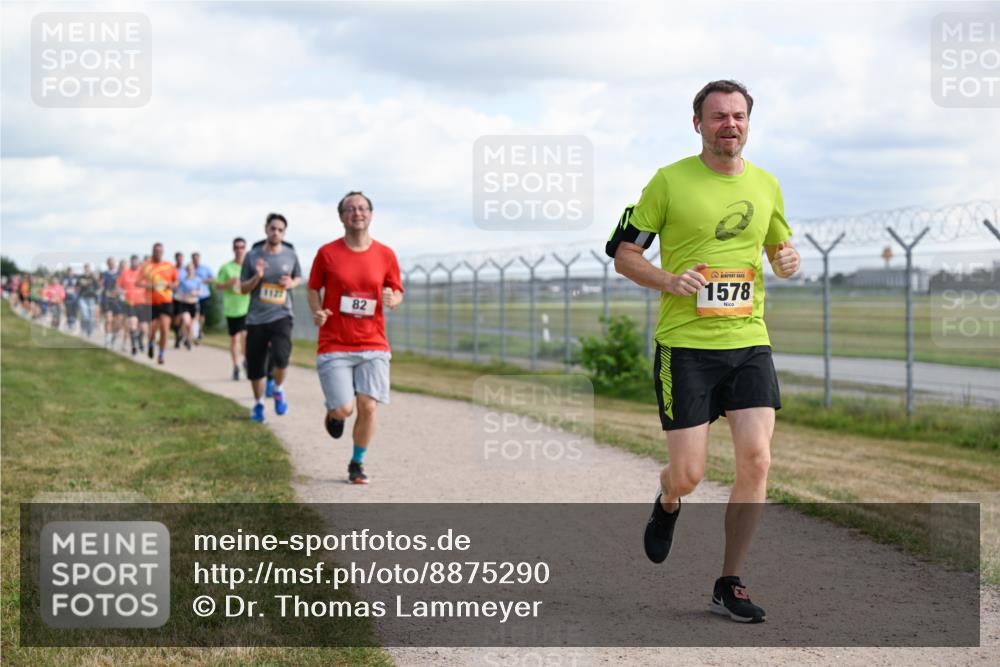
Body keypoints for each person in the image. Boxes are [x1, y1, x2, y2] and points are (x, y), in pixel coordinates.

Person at [607, 80, 800, 624]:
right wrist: (669, 280)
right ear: (698, 124)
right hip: (685, 348)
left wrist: (788, 262)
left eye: (738, 115)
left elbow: (779, 250)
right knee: (689, 474)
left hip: (749, 341)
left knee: (757, 460)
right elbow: (624, 254)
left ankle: (729, 582)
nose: (729, 124)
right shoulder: (668, 181)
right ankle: (668, 498)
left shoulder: (767, 184)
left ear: (748, 123)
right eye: (718, 116)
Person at [307, 191, 403, 485]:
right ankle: (334, 415)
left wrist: (394, 299)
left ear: (370, 214)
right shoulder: (327, 253)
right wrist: (318, 311)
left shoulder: (385, 254)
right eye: (350, 209)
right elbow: (313, 288)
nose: (357, 213)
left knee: (369, 406)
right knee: (344, 408)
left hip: (373, 342)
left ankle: (357, 463)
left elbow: (397, 289)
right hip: (335, 343)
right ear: (341, 217)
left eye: (362, 208)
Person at [240, 213, 302, 423]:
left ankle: (278, 389)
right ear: (266, 229)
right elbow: (243, 289)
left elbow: (298, 277)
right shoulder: (252, 256)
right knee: (256, 367)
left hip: (282, 314)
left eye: (280, 230)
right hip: (256, 318)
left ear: (284, 233)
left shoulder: (290, 255)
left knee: (281, 357)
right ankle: (258, 404)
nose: (276, 232)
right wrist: (257, 276)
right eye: (273, 228)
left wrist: (291, 283)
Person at [217, 237, 251, 380]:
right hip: (232, 309)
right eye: (236, 247)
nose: (239, 250)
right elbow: (217, 285)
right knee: (235, 339)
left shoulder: (249, 267)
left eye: (241, 247)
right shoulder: (226, 267)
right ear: (233, 249)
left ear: (245, 249)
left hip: (247, 307)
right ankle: (236, 366)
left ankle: (246, 360)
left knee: (246, 336)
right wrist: (228, 283)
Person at [139, 243, 179, 365]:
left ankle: (161, 354)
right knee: (152, 329)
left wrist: (171, 285)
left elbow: (176, 282)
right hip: (151, 302)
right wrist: (149, 286)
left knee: (165, 328)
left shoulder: (169, 266)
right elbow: (138, 283)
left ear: (163, 252)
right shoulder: (146, 266)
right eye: (156, 251)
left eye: (160, 251)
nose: (158, 253)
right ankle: (151, 343)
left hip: (166, 301)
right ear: (152, 251)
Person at [116, 255, 147, 355]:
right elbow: (118, 286)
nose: (135, 263)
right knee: (133, 323)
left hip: (142, 302)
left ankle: (139, 340)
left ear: (139, 262)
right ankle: (134, 347)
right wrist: (121, 292)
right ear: (131, 262)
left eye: (136, 261)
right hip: (130, 302)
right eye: (133, 261)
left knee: (144, 328)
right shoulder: (125, 273)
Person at [175, 264, 203, 350]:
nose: (190, 271)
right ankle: (181, 335)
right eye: (188, 269)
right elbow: (177, 291)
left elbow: (201, 290)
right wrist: (182, 295)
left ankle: (188, 340)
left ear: (194, 270)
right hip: (185, 304)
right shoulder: (183, 280)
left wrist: (196, 293)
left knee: (191, 324)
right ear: (186, 270)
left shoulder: (198, 280)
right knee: (187, 322)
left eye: (191, 269)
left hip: (194, 304)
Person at [191, 252, 214, 344]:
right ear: (192, 259)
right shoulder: (190, 269)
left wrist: (204, 280)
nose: (196, 260)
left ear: (199, 259)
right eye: (194, 259)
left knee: (201, 315)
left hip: (204, 295)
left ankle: (199, 330)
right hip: (193, 296)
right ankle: (195, 333)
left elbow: (212, 278)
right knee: (195, 315)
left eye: (197, 258)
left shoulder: (205, 268)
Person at [100, 257, 119, 348]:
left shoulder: (119, 274)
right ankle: (107, 339)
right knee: (108, 319)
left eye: (113, 263)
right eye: (110, 263)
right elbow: (100, 285)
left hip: (116, 300)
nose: (111, 264)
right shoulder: (104, 274)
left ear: (115, 263)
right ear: (107, 264)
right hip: (106, 299)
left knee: (116, 321)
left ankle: (113, 336)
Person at [76, 263, 99, 338]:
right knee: (85, 315)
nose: (87, 270)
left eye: (88, 268)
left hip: (91, 298)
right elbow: (77, 286)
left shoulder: (93, 277)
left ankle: (89, 331)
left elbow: (97, 287)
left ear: (90, 269)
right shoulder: (81, 277)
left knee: (91, 316)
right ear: (84, 269)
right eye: (86, 268)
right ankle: (84, 329)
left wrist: (94, 278)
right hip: (82, 297)